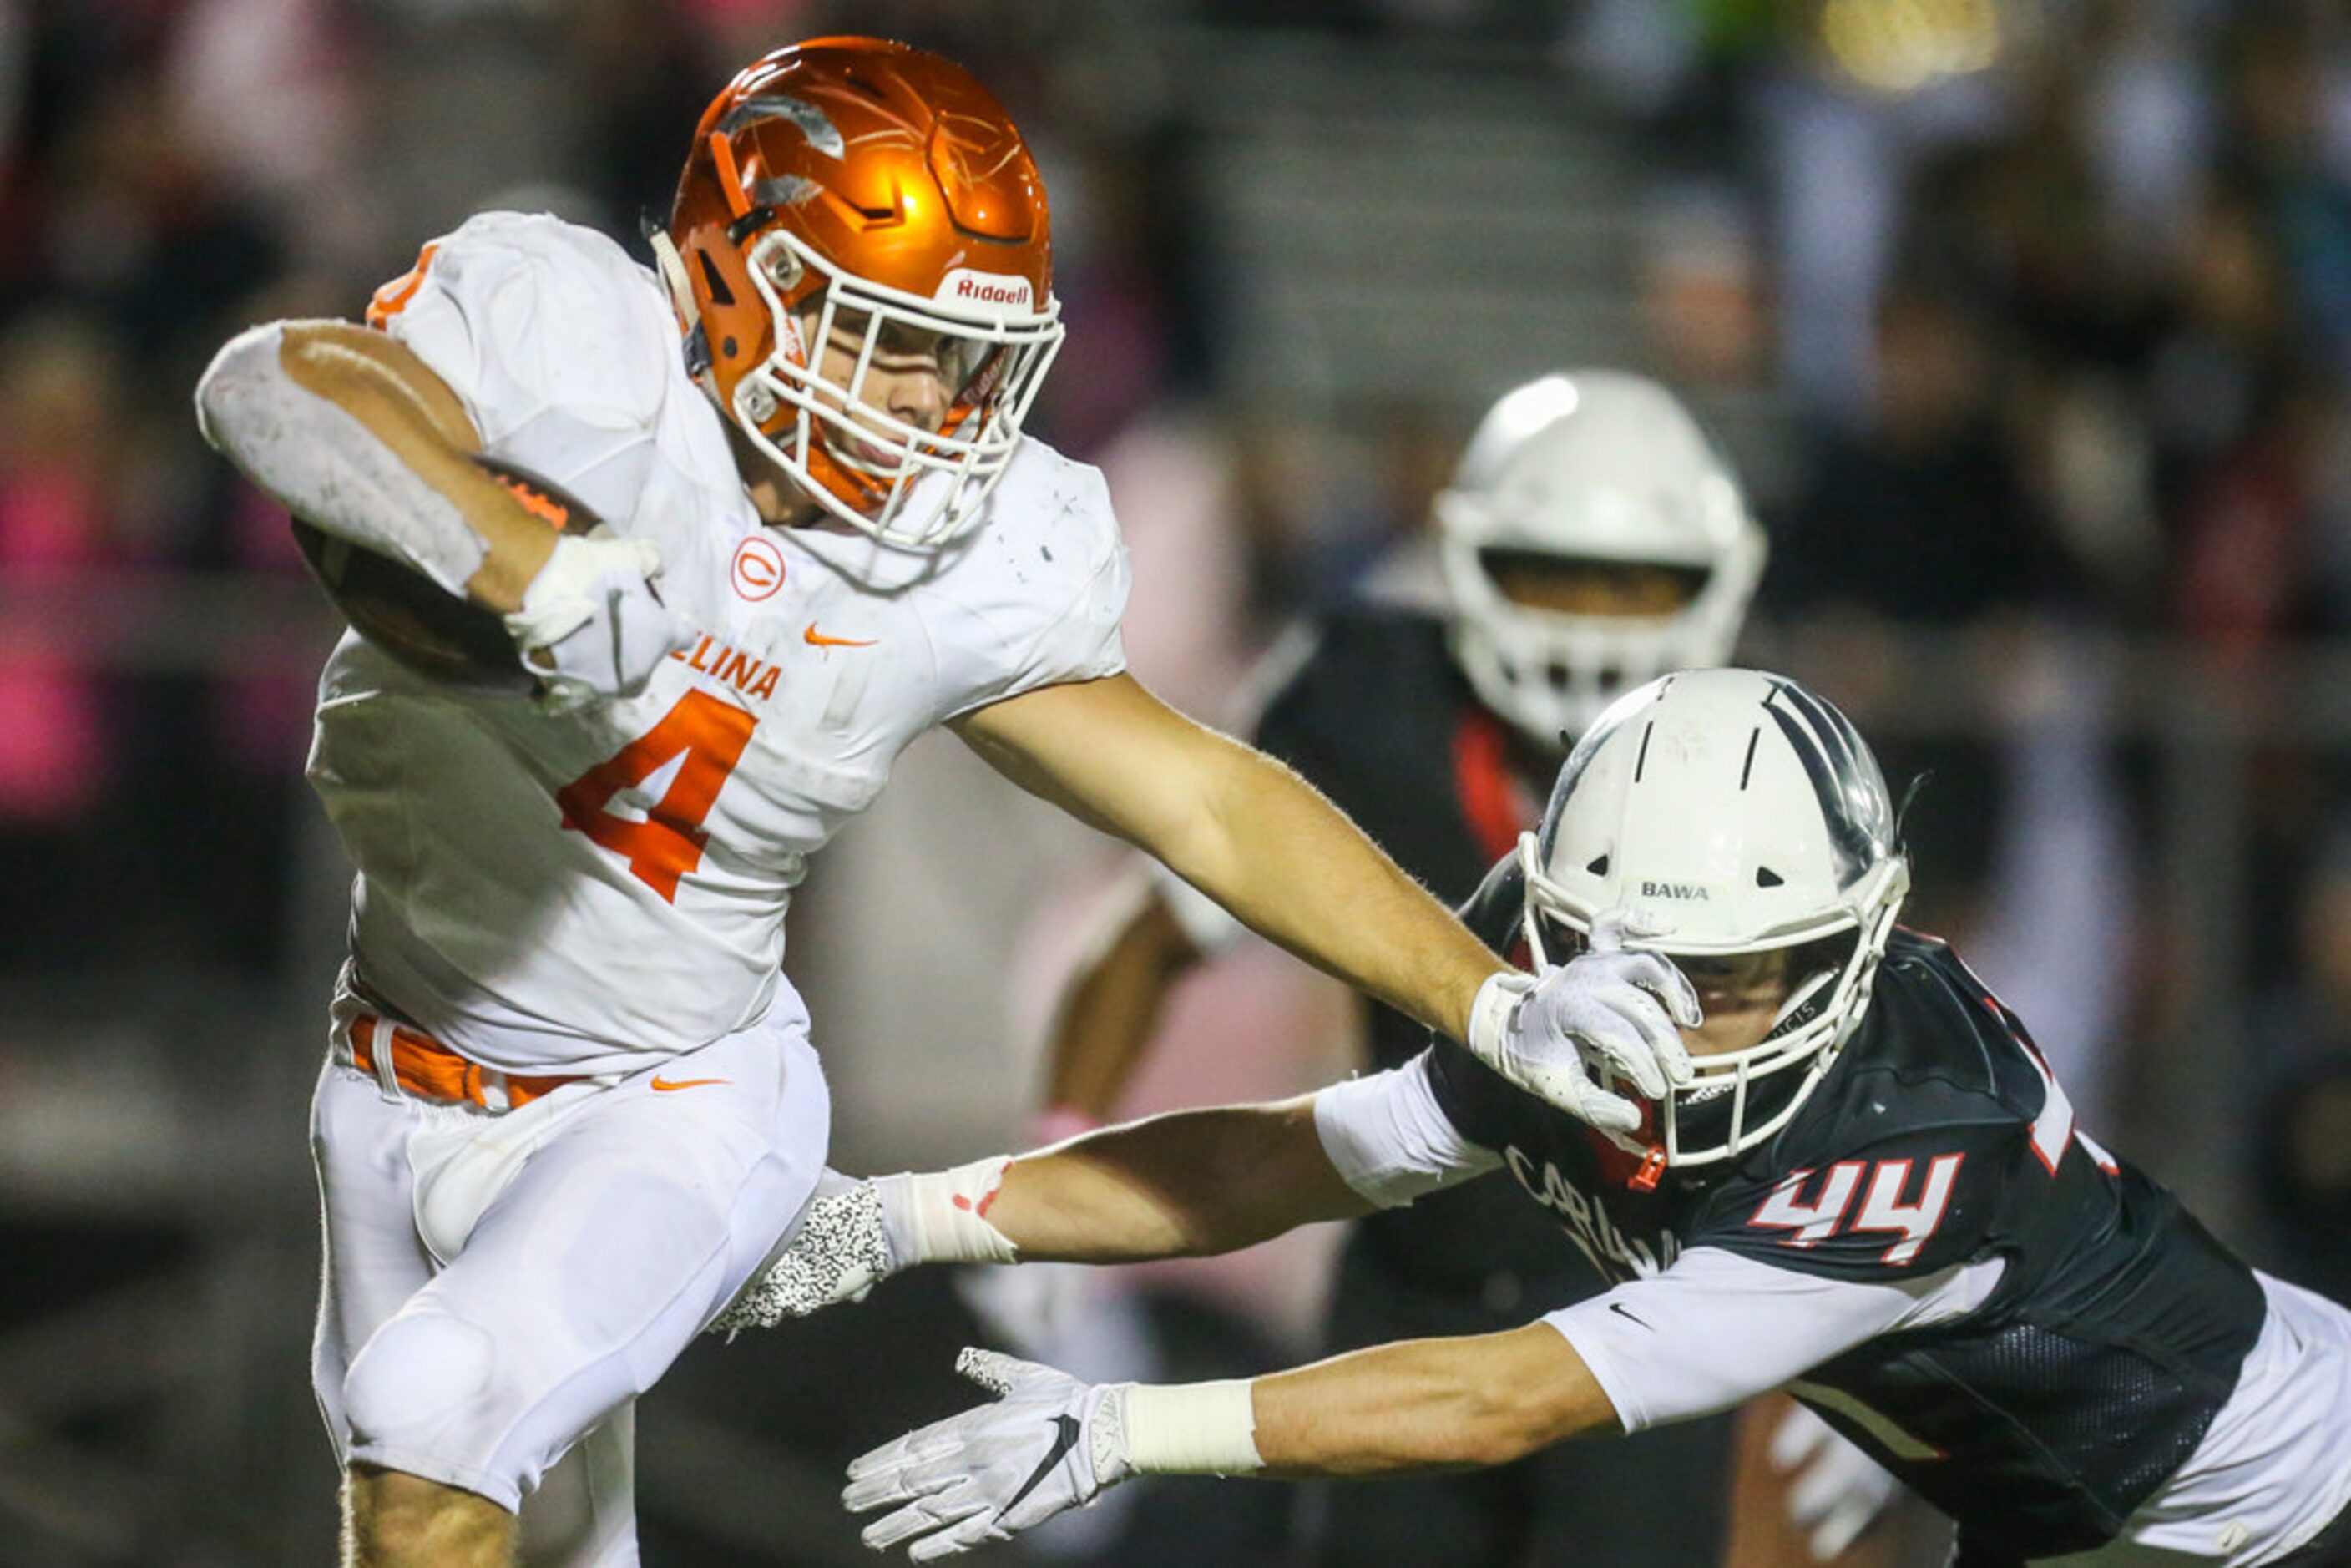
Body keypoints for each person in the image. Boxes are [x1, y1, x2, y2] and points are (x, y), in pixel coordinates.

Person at [190, 38, 1649, 1568]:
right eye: (891, 341)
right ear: (744, 279)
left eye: (969, 357)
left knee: (430, 1412)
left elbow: (1206, 802)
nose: (942, 403)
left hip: (676, 1090)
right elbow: (274, 387)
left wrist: (1487, 1000)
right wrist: (520, 555)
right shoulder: (581, 347)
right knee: (499, 1522)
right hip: (388, 1069)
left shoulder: (973, 561)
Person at [742, 668, 2351, 1566]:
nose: (1672, 1011)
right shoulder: (1561, 986)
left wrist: (1125, 1428)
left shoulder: (1916, 1135)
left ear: (1851, 939)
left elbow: (1517, 1392)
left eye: (1734, 972)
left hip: (2267, 1510)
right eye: (1624, 954)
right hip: (2044, 1504)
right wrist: (909, 1211)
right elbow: (1298, 1152)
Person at [1020, 370, 1884, 1565]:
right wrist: (1051, 1183)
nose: (1592, 616)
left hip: (1646, 1317)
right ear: (1470, 561)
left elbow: (1872, 1052)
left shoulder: (1758, 771)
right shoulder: (1363, 701)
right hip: (1412, 1295)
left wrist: (1869, 1324)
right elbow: (1145, 941)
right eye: (1555, 570)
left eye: (1635, 580)